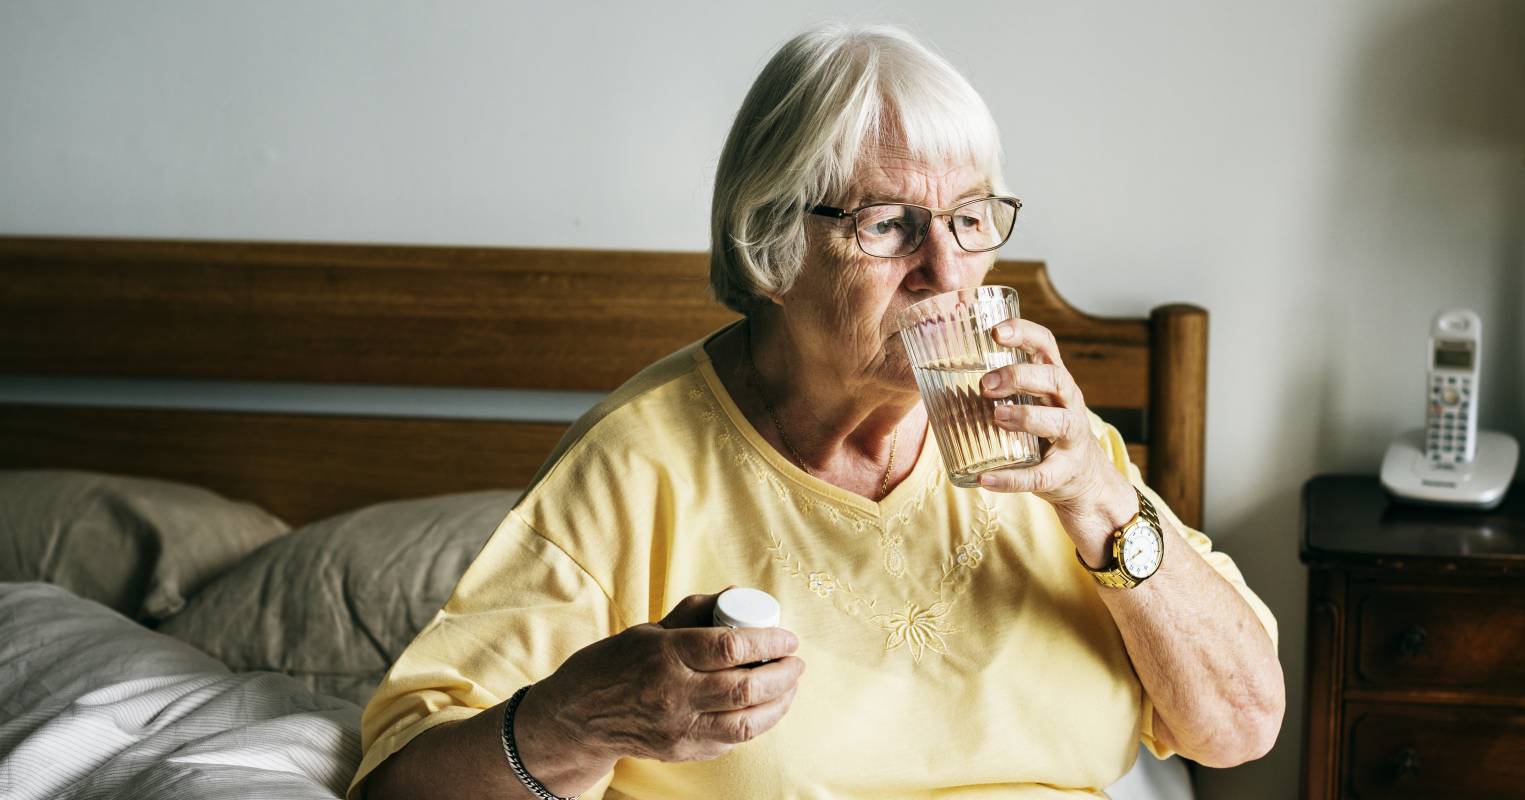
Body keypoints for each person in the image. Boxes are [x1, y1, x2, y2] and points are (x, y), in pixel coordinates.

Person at [351, 23, 1282, 799]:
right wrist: (581, 719)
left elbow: (1242, 727)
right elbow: (403, 781)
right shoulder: (639, 464)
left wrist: (1101, 501)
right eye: (887, 226)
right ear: (771, 242)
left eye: (969, 219)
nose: (947, 274)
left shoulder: (1051, 446)